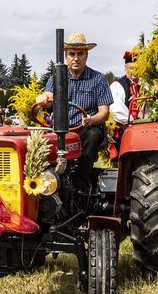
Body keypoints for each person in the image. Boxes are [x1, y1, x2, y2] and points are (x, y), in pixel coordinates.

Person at [35, 33, 113, 190]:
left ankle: (80, 184)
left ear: (86, 56)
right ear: (66, 56)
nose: (75, 58)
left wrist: (92, 120)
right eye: (71, 54)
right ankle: (45, 180)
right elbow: (49, 95)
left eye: (80, 54)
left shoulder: (98, 79)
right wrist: (43, 97)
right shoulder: (56, 78)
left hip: (85, 128)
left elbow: (104, 112)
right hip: (60, 129)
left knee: (93, 135)